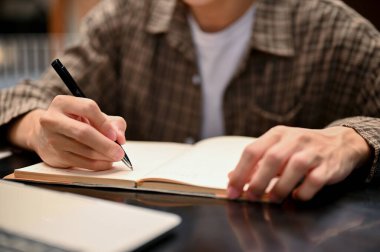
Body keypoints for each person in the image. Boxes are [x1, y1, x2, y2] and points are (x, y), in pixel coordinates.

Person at [0, 0, 379, 202]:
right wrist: (38, 129)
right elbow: (20, 98)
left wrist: (352, 141)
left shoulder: (332, 30)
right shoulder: (124, 18)